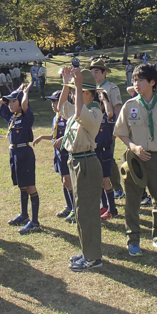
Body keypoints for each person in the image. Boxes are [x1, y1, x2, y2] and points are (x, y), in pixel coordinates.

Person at [114, 64, 157, 256]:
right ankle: (133, 240)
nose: (136, 84)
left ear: (152, 83)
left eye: (140, 80)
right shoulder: (130, 105)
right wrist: (133, 147)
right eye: (134, 80)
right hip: (136, 159)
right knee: (132, 201)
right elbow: (120, 132)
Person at [56, 68, 104, 272]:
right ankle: (87, 251)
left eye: (78, 91)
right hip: (75, 162)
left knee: (87, 212)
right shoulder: (80, 108)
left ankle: (93, 257)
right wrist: (67, 84)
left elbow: (76, 112)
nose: (74, 95)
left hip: (86, 163)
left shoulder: (93, 111)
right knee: (80, 210)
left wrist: (75, 84)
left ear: (88, 93)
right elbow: (61, 108)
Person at [0, 82, 40, 234]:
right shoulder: (12, 117)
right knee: (21, 185)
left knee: (30, 185)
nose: (10, 104)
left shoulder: (26, 117)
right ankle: (24, 214)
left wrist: (24, 92)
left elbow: (25, 104)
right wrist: (13, 94)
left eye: (14, 101)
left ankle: (34, 222)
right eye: (10, 102)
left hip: (24, 153)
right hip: (14, 153)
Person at [32, 90, 75, 223]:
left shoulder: (68, 116)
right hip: (58, 154)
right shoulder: (55, 118)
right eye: (51, 102)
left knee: (69, 181)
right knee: (63, 181)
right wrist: (42, 137)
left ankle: (75, 208)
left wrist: (63, 138)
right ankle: (68, 206)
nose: (53, 104)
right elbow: (54, 135)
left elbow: (73, 132)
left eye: (55, 101)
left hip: (66, 153)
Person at [88, 59, 124, 199]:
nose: (94, 74)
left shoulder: (111, 87)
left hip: (107, 128)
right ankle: (101, 187)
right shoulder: (90, 87)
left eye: (96, 71)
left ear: (104, 72)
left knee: (108, 157)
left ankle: (116, 187)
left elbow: (117, 108)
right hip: (93, 129)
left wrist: (115, 128)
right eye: (91, 72)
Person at [96, 89, 118, 219]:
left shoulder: (106, 117)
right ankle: (104, 206)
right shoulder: (93, 116)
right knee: (99, 181)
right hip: (96, 152)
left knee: (105, 181)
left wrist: (104, 98)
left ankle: (112, 209)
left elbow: (110, 113)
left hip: (105, 152)